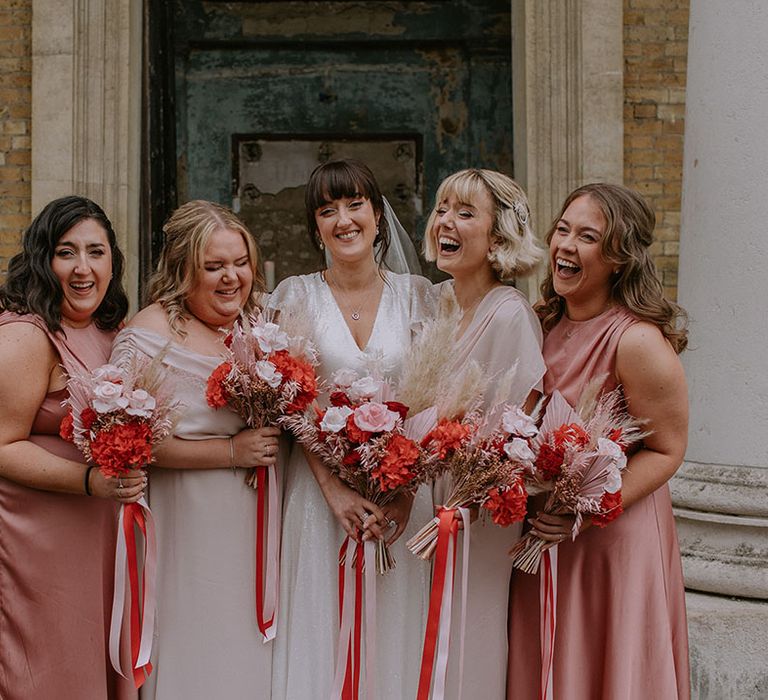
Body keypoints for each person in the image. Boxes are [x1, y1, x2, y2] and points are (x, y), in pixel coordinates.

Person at [507, 183, 690, 699]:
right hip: (541, 537)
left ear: (617, 258)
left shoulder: (635, 341)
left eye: (587, 237)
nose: (566, 245)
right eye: (563, 229)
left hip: (613, 543)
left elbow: (667, 449)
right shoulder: (539, 323)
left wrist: (584, 509)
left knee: (609, 668)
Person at [268, 159, 436, 699]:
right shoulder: (293, 296)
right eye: (326, 209)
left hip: (401, 501)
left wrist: (406, 493)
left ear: (378, 214)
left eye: (354, 204)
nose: (343, 219)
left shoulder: (419, 296)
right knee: (318, 622)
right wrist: (334, 489)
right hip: (320, 499)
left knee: (393, 625)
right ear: (314, 225)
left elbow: (434, 401)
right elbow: (290, 405)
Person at [109, 200, 279, 700]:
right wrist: (232, 452)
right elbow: (132, 440)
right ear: (184, 269)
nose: (232, 278)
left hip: (256, 524)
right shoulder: (149, 334)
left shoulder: (260, 327)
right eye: (214, 267)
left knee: (249, 651)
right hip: (186, 523)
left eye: (240, 262)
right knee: (197, 642)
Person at [0, 196, 142, 699]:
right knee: (50, 668)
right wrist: (88, 480)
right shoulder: (26, 336)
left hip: (99, 537)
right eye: (66, 252)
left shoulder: (114, 334)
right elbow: (2, 444)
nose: (83, 268)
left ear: (112, 263)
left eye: (96, 252)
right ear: (44, 259)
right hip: (40, 540)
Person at [422, 169, 546, 699]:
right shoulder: (433, 302)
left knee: (467, 633)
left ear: (499, 238)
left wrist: (462, 504)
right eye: (443, 208)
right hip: (422, 500)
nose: (446, 221)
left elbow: (513, 433)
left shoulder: (510, 314)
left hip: (472, 509)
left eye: (466, 213)